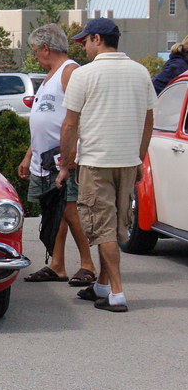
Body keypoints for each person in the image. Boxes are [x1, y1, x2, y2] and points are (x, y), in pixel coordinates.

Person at [55, 18, 157, 313]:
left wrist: (66, 164)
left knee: (103, 229)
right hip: (127, 161)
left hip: (96, 161)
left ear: (97, 39)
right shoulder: (140, 72)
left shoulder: (84, 75)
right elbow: (148, 121)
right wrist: (139, 157)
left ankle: (117, 292)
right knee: (113, 225)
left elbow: (70, 125)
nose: (83, 47)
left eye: (85, 41)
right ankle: (101, 285)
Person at [18, 23, 96, 285]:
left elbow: (81, 116)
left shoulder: (70, 72)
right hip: (44, 158)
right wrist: (29, 155)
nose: (35, 56)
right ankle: (57, 264)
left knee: (70, 210)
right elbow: (45, 119)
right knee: (55, 212)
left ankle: (87, 265)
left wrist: (70, 155)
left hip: (62, 158)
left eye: (35, 50)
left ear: (45, 47)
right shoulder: (50, 75)